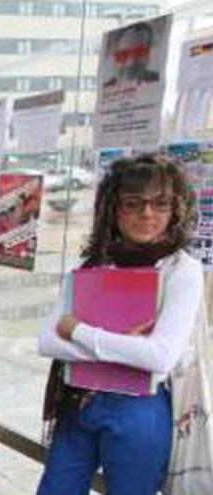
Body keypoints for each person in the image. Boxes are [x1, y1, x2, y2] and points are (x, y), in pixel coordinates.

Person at [37, 155, 204, 495]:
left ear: (176, 209)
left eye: (160, 203)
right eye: (133, 203)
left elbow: (159, 357)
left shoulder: (180, 270)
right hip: (80, 402)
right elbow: (47, 340)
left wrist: (80, 331)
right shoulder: (95, 261)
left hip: (140, 410)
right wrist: (125, 345)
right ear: (114, 208)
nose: (147, 213)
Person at [103, 22, 160, 88]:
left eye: (139, 53)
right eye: (123, 55)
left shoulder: (159, 80)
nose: (130, 62)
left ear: (149, 54)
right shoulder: (105, 88)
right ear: (113, 58)